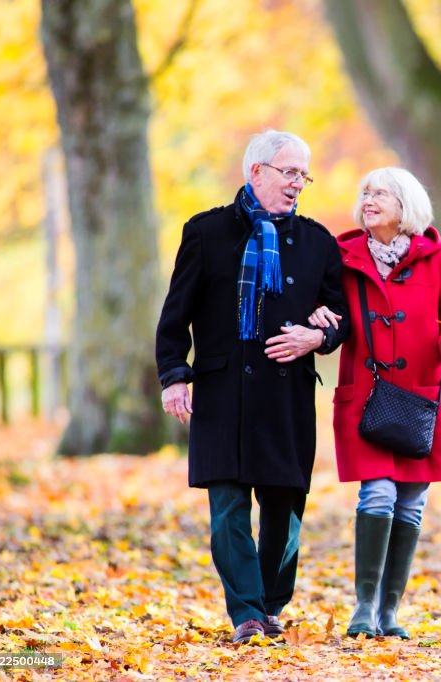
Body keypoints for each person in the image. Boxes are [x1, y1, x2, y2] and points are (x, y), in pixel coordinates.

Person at [155, 130, 349, 644]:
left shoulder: (317, 242)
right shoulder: (206, 232)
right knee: (228, 509)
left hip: (286, 396)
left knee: (284, 510)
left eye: (304, 175)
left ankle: (270, 601)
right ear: (256, 172)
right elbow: (176, 315)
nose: (298, 184)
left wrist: (318, 336)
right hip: (222, 392)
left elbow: (340, 318)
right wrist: (174, 374)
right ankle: (246, 613)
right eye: (290, 172)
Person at [309, 167, 441, 639]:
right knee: (377, 492)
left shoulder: (439, 257)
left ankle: (389, 612)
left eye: (381, 192)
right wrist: (317, 317)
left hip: (422, 395)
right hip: (366, 393)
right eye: (366, 192)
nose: (369, 199)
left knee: (412, 503)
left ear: (407, 205)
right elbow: (327, 311)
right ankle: (363, 606)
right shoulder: (343, 256)